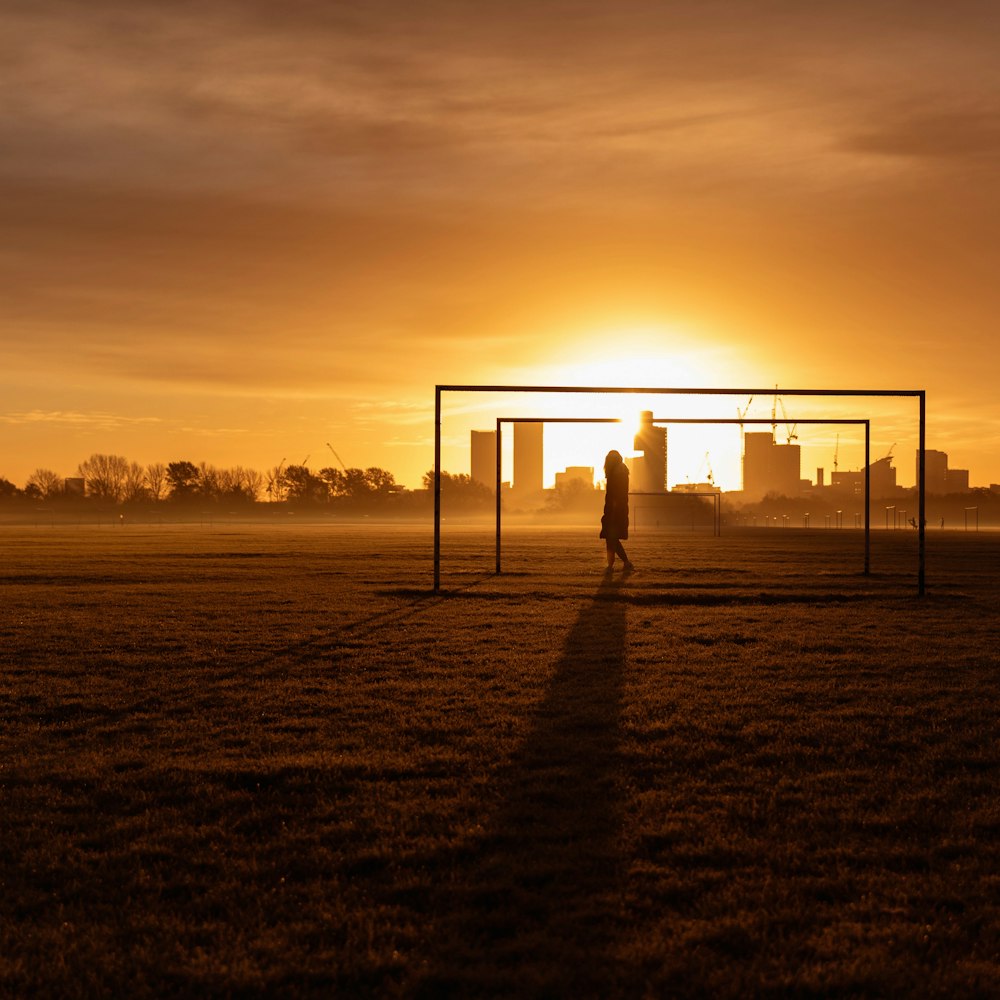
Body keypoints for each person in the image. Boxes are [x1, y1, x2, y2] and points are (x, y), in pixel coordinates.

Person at [600, 449, 634, 573]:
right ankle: (623, 564)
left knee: (611, 538)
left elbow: (615, 494)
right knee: (611, 538)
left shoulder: (616, 472)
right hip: (616, 510)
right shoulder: (619, 471)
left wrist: (612, 511)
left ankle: (614, 565)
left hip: (615, 511)